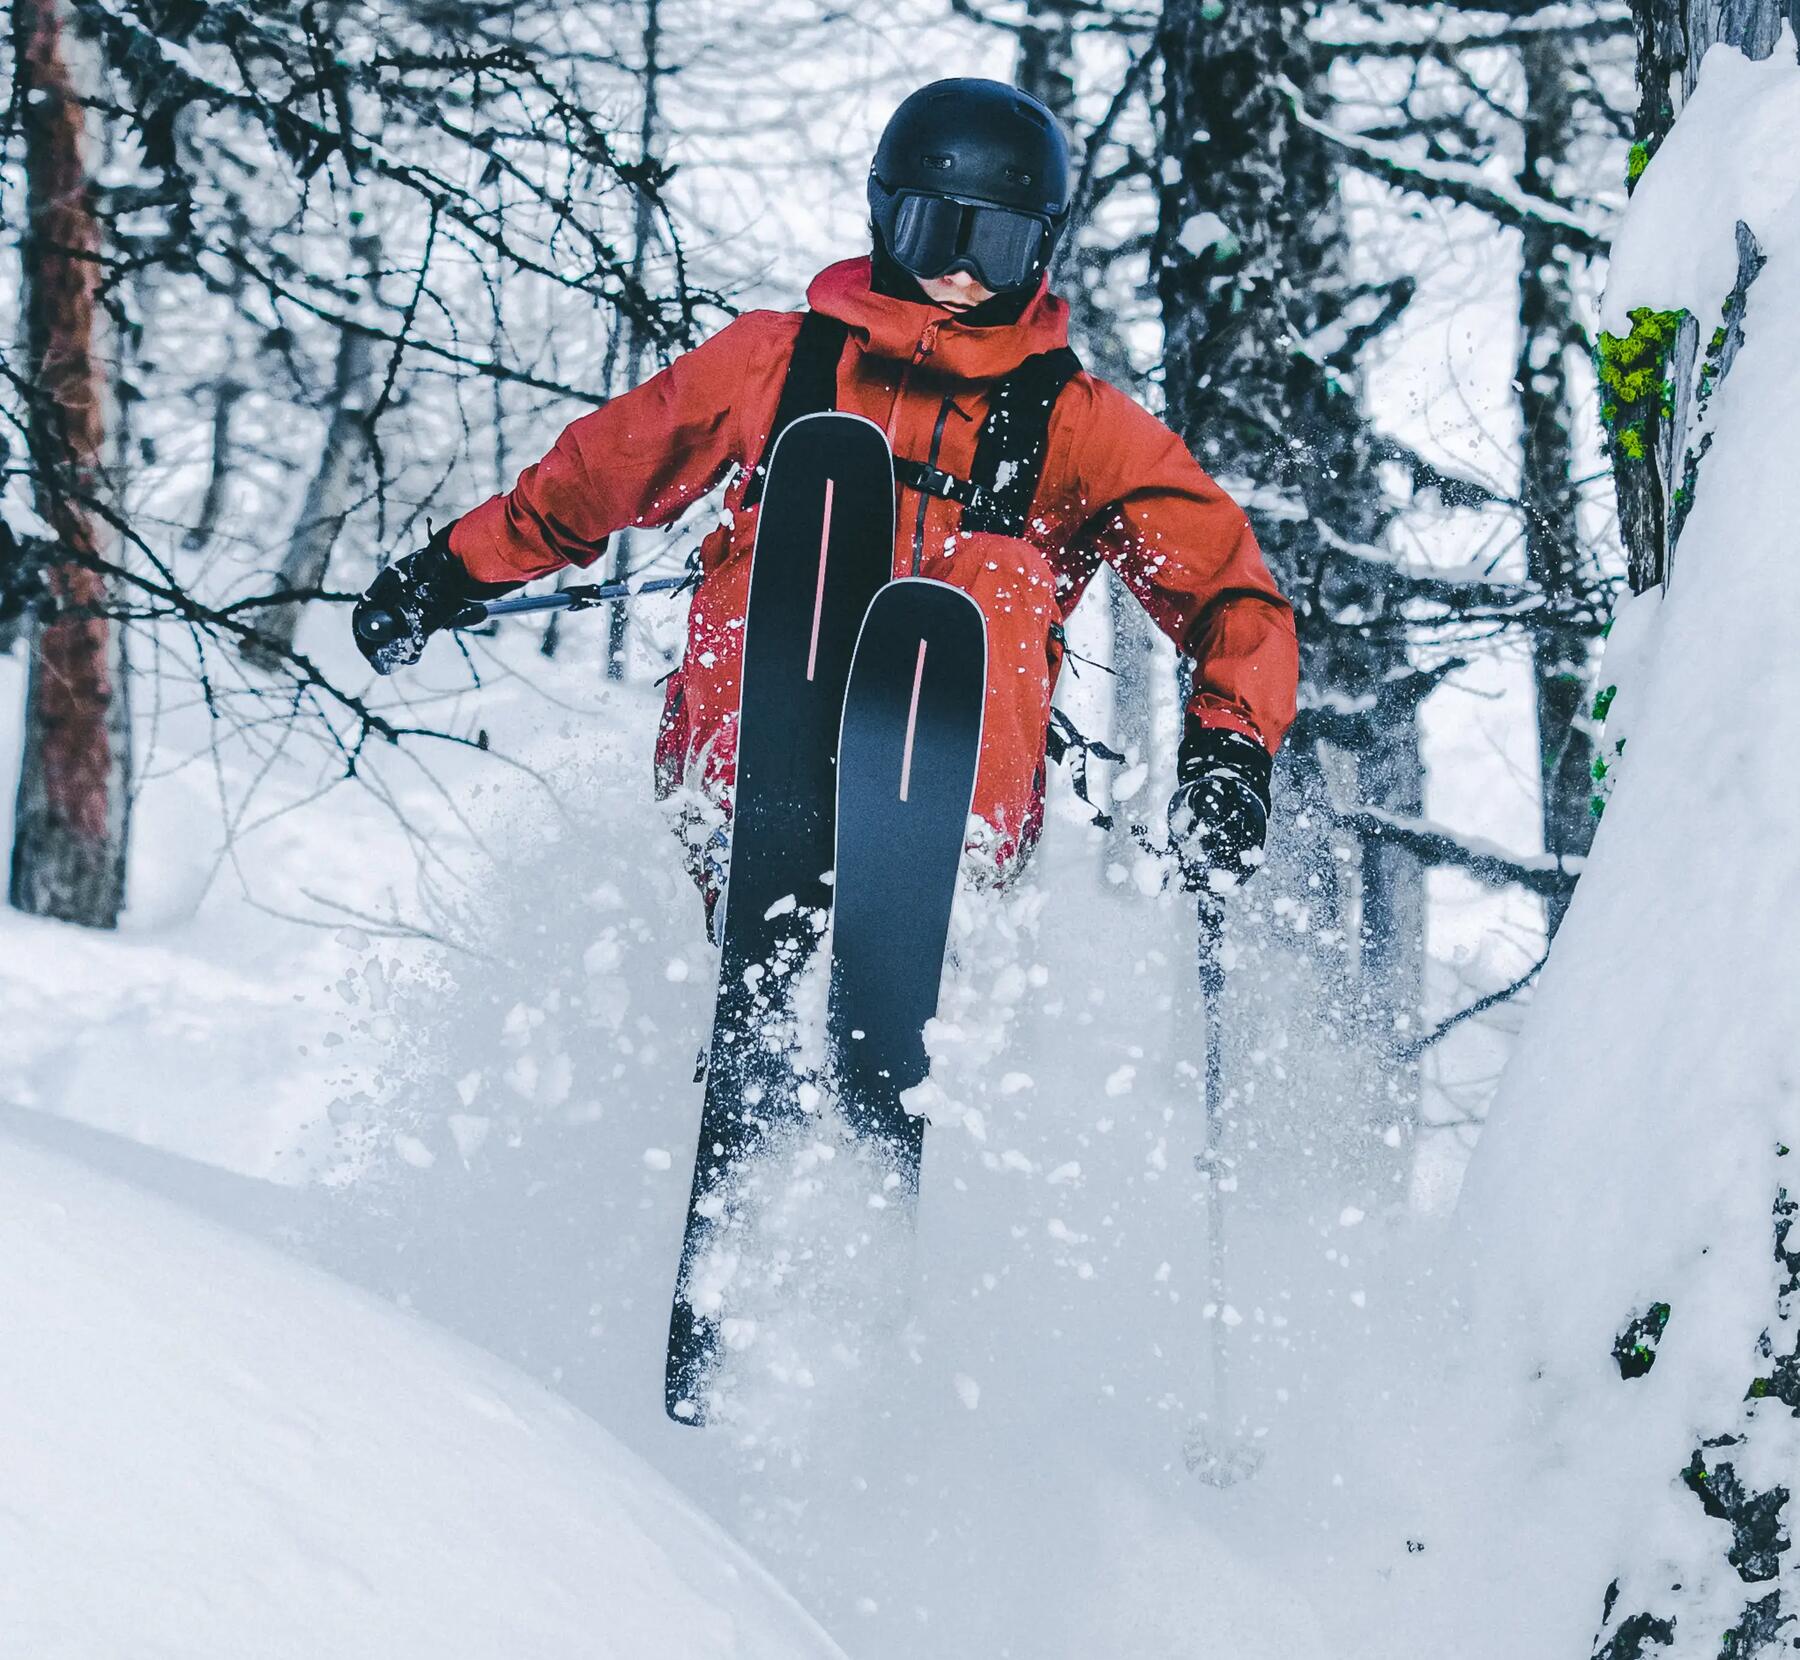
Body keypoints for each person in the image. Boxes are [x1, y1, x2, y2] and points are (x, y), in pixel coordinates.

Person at [354, 78, 1298, 903]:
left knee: (998, 575)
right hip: (750, 750)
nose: (962, 272)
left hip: (954, 767)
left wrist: (1229, 752)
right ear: (887, 217)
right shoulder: (778, 360)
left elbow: (1230, 589)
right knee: (787, 537)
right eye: (938, 229)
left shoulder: (1074, 422)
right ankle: (752, 849)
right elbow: (601, 472)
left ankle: (935, 893)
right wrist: (447, 573)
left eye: (997, 245)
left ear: (1040, 251)